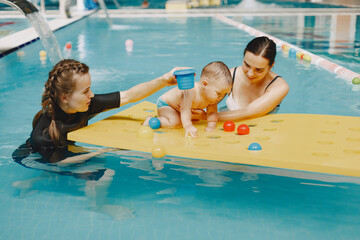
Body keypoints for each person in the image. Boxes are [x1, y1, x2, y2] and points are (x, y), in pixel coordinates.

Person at [20, 59, 185, 164]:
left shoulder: (84, 104)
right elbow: (59, 163)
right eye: (85, 91)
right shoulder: (43, 135)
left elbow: (128, 96)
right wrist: (104, 150)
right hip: (35, 158)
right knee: (101, 173)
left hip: (64, 150)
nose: (91, 95)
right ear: (65, 97)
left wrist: (164, 80)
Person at [145, 61, 232, 138]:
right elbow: (185, 110)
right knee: (175, 123)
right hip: (167, 105)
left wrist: (211, 126)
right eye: (218, 93)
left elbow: (212, 113)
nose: (221, 97)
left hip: (179, 108)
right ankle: (150, 121)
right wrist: (188, 126)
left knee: (195, 119)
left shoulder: (212, 97)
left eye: (224, 94)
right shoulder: (191, 91)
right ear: (205, 84)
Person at [218, 36, 289, 122]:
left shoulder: (279, 86)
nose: (250, 74)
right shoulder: (230, 75)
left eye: (258, 70)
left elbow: (248, 113)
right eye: (247, 65)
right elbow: (205, 99)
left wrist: (206, 117)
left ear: (270, 66)